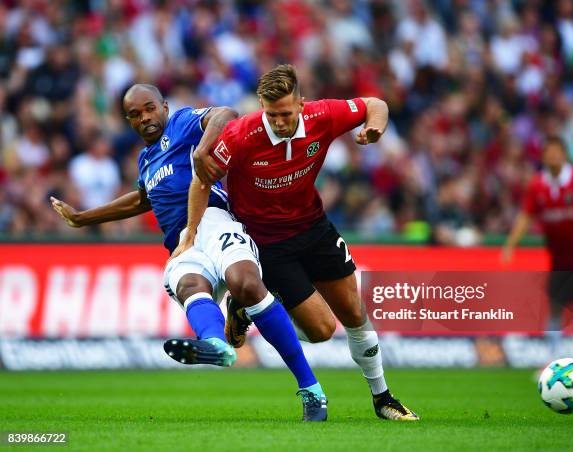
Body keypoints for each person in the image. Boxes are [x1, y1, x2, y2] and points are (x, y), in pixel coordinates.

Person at [50, 84, 327, 421]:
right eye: (135, 115)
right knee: (190, 286)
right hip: (181, 241)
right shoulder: (146, 160)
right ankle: (215, 344)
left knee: (247, 285)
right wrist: (82, 218)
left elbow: (226, 114)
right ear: (128, 121)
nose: (145, 118)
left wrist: (203, 150)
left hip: (213, 219)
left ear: (164, 107)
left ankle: (312, 391)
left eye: (150, 108)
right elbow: (142, 199)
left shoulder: (181, 123)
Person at [181, 64, 419, 421]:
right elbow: (201, 181)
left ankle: (382, 397)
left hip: (315, 229)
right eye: (272, 114)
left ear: (302, 105)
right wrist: (190, 233)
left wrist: (375, 127)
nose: (279, 122)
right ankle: (251, 307)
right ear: (261, 105)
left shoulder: (324, 115)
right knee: (322, 331)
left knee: (355, 313)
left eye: (286, 114)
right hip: (269, 243)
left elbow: (374, 103)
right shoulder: (241, 135)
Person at [503, 136, 573, 378]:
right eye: (548, 152)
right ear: (543, 156)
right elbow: (525, 215)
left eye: (556, 152)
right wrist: (511, 244)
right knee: (554, 308)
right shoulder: (537, 185)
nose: (553, 156)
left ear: (564, 154)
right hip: (559, 260)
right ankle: (552, 361)